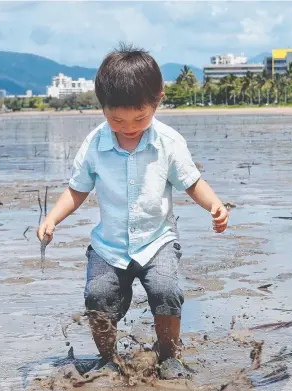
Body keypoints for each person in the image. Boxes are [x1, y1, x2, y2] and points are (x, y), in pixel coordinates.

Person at [37, 43, 229, 378]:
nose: (128, 127)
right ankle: (107, 358)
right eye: (116, 119)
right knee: (97, 295)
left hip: (158, 241)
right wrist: (52, 218)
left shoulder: (169, 142)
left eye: (139, 117)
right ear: (103, 107)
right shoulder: (94, 144)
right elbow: (76, 191)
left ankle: (169, 355)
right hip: (108, 246)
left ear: (158, 99)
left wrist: (214, 204)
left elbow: (192, 182)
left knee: (166, 290)